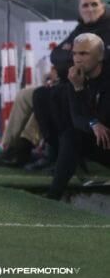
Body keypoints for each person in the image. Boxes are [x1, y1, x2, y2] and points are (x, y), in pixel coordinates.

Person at [30, 0, 110, 169]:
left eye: (94, 4)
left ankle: (63, 154)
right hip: (74, 81)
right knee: (40, 95)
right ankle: (54, 151)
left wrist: (71, 62)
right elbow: (56, 54)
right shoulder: (79, 29)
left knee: (58, 96)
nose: (90, 9)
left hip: (100, 86)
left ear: (103, 6)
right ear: (79, 9)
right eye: (85, 5)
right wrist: (75, 61)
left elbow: (104, 58)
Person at [46, 33, 110, 200]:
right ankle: (53, 196)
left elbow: (103, 116)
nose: (77, 59)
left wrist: (94, 122)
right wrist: (78, 88)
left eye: (84, 53)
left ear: (100, 56)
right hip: (102, 141)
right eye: (74, 53)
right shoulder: (76, 78)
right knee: (71, 135)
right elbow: (78, 119)